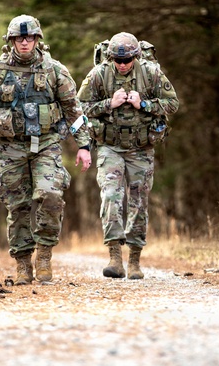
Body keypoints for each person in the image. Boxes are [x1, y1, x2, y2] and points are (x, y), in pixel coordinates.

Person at [0, 15, 91, 284]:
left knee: (51, 195)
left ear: (37, 39)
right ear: (11, 41)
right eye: (20, 38)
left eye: (30, 37)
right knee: (17, 206)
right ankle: (22, 263)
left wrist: (84, 145)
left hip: (46, 144)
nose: (25, 43)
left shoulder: (55, 71)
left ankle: (43, 254)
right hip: (10, 148)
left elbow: (73, 111)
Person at [77, 32, 179, 279]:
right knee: (111, 196)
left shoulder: (151, 73)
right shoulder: (99, 75)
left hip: (141, 147)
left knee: (138, 201)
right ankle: (114, 257)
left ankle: (134, 260)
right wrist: (107, 105)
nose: (122, 65)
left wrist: (144, 104)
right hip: (110, 146)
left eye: (127, 60)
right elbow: (78, 109)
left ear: (136, 56)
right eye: (117, 60)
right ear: (110, 57)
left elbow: (172, 104)